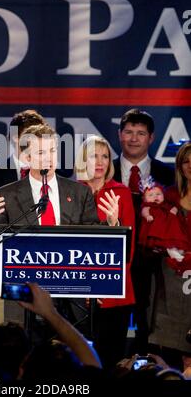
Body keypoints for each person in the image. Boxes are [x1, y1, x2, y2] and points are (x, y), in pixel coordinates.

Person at [0, 124, 120, 335]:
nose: (49, 158)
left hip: (69, 299)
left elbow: (93, 240)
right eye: (41, 152)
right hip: (22, 295)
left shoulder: (80, 192)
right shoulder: (7, 194)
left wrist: (111, 224)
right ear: (26, 158)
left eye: (53, 151)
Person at [113, 108, 175, 354]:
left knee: (149, 327)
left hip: (154, 264)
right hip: (114, 261)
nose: (134, 138)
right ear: (119, 135)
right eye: (128, 132)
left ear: (151, 138)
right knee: (113, 329)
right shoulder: (103, 170)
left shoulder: (168, 175)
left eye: (140, 133)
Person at [0, 109, 46, 335]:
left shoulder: (55, 175)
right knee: (1, 349)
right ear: (14, 139)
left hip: (47, 282)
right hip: (2, 279)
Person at [74, 134, 135, 369]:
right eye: (93, 156)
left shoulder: (121, 193)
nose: (100, 162)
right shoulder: (71, 192)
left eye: (105, 156)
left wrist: (114, 222)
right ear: (82, 160)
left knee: (110, 362)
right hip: (78, 293)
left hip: (113, 294)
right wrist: (85, 286)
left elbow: (127, 249)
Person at [148, 142, 191, 370]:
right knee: (175, 358)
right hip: (171, 286)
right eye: (186, 161)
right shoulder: (168, 197)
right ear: (179, 166)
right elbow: (154, 238)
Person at [138, 180, 188, 256]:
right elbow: (144, 211)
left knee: (175, 227)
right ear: (144, 199)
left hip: (167, 226)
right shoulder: (148, 206)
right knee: (159, 236)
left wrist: (174, 209)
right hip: (156, 228)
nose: (155, 196)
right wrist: (147, 215)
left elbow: (174, 208)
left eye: (158, 194)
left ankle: (177, 247)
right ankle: (166, 249)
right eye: (150, 195)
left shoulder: (166, 205)